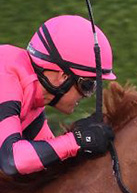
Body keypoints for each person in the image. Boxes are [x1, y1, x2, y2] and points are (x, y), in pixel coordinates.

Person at [0, 14, 115, 177]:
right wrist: (77, 140)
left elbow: (51, 164)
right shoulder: (5, 77)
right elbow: (12, 161)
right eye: (87, 85)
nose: (87, 95)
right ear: (63, 76)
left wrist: (84, 141)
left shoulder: (32, 98)